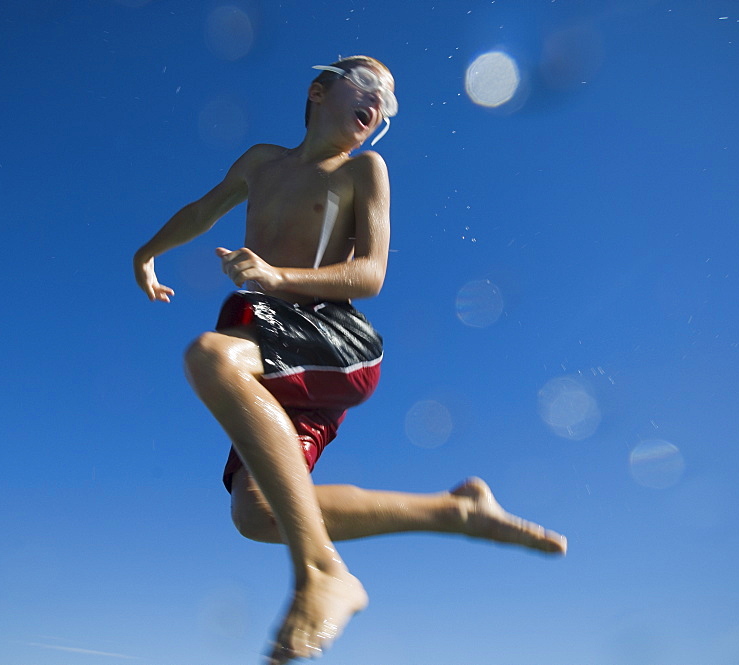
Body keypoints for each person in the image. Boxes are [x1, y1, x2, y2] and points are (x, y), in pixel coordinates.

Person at [133, 55, 567, 665]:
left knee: (212, 355)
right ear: (318, 90)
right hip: (273, 347)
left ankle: (321, 573)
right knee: (255, 511)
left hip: (331, 337)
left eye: (387, 106)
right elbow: (203, 211)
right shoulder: (261, 163)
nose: (378, 107)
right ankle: (456, 511)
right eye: (368, 88)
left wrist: (276, 275)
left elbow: (371, 273)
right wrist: (147, 253)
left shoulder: (363, 169)